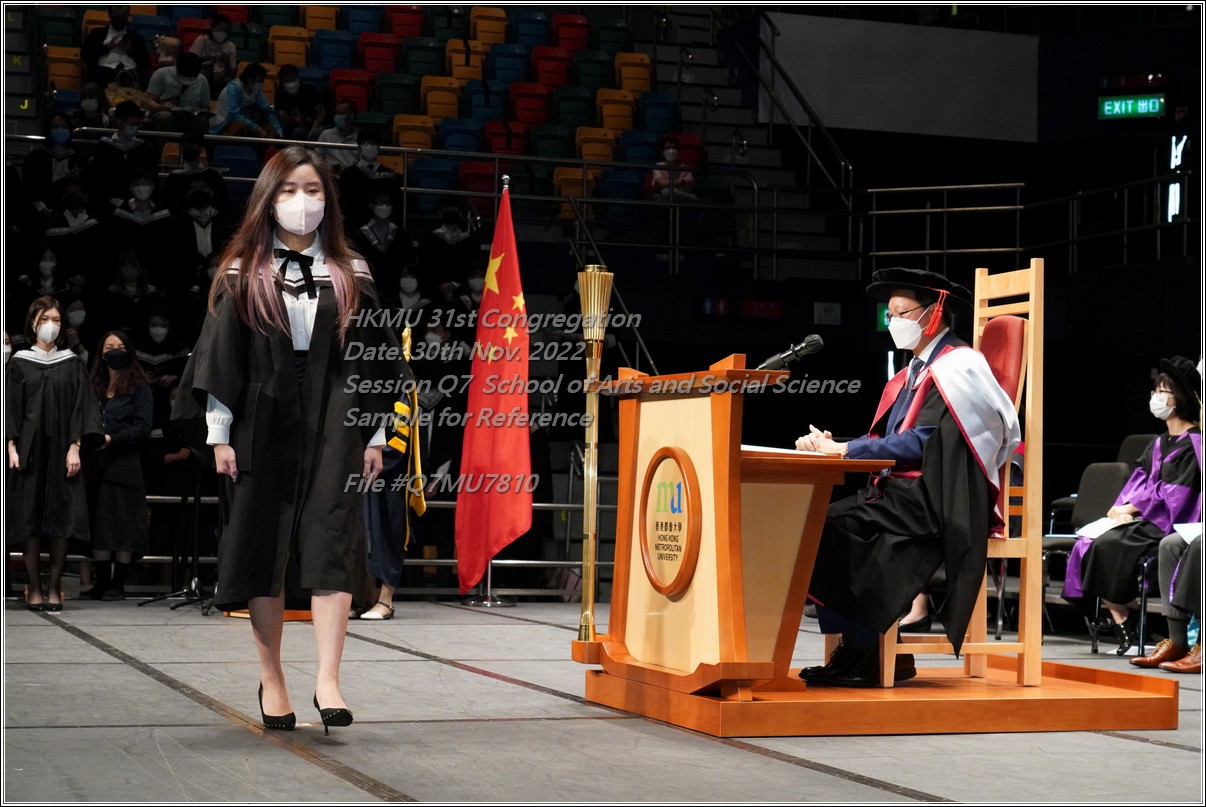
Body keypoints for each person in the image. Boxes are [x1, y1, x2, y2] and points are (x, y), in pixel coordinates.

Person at [173, 146, 411, 732]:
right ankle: (273, 678)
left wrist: (376, 434)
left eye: (312, 191)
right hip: (261, 410)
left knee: (333, 536)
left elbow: (372, 358)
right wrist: (219, 435)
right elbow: (222, 357)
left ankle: (329, 678)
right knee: (264, 542)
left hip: (337, 407)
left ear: (328, 201)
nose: (301, 202)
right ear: (267, 198)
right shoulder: (243, 270)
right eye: (288, 191)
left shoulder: (351, 270)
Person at [794, 267, 1020, 686]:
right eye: (890, 315)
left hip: (938, 497)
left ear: (933, 313)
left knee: (830, 528)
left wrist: (847, 450)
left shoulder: (958, 367)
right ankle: (865, 649)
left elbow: (924, 442)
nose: (893, 322)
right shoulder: (916, 369)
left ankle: (867, 651)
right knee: (816, 525)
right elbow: (892, 437)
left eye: (902, 313)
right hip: (904, 492)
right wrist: (837, 443)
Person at [1069, 357, 1202, 655]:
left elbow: (1176, 496)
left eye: (1164, 392)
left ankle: (1128, 620)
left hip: (1169, 523)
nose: (1157, 397)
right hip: (1145, 518)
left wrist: (1132, 508)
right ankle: (1124, 618)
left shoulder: (1195, 444)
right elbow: (1138, 481)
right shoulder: (1159, 443)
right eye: (1156, 391)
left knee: (1107, 546)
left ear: (1181, 397)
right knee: (1086, 544)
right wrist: (1123, 508)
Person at [6, 297, 103, 611]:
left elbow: (82, 407)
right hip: (29, 451)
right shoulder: (19, 362)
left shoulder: (71, 363)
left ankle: (54, 586)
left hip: (63, 449)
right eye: (45, 318)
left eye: (57, 319)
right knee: (29, 518)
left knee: (62, 517)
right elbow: (11, 406)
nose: (51, 325)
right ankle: (34, 587)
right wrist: (11, 446)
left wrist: (75, 446)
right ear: (33, 322)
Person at [80, 331, 152, 600]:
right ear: (101, 352)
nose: (115, 350)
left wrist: (113, 439)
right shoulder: (93, 384)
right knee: (98, 523)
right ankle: (101, 582)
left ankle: (118, 583)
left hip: (124, 462)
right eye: (109, 346)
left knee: (124, 523)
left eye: (120, 346)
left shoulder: (139, 387)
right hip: (94, 463)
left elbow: (143, 427)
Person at [87, 100, 157, 213]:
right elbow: (98, 180)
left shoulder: (145, 148)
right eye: (131, 124)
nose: (135, 128)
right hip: (108, 204)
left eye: (137, 124)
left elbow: (152, 179)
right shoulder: (104, 147)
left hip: (140, 203)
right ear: (119, 121)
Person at [23, 113, 84, 217]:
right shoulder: (34, 158)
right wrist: (44, 210)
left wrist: (76, 181)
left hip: (70, 212)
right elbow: (29, 189)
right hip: (39, 211)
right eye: (55, 127)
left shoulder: (78, 159)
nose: (60, 130)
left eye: (64, 127)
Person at [81, 5, 150, 86]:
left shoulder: (136, 37)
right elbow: (84, 54)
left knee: (143, 76)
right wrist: (107, 47)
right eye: (117, 17)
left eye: (123, 18)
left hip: (130, 71)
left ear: (127, 16)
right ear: (110, 15)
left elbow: (146, 62)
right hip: (105, 70)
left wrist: (131, 50)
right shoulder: (96, 33)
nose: (119, 21)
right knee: (97, 74)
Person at [209, 63, 282, 139]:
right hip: (226, 123)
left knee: (269, 128)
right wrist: (257, 129)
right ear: (250, 80)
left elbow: (267, 110)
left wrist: (278, 129)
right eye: (260, 81)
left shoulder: (256, 91)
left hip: (250, 122)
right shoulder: (233, 88)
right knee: (240, 127)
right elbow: (234, 115)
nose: (262, 83)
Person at [143, 52, 211, 132]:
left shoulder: (202, 80)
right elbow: (149, 100)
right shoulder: (161, 74)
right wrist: (160, 107)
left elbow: (206, 107)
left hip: (190, 116)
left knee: (203, 120)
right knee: (164, 117)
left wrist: (200, 111)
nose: (188, 79)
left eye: (192, 77)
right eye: (186, 76)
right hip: (164, 112)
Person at [274, 64, 326, 141]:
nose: (290, 84)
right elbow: (282, 117)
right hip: (293, 128)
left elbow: (321, 114)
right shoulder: (281, 95)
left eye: (292, 80)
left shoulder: (310, 90)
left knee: (301, 133)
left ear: (298, 78)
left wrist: (311, 134)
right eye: (286, 81)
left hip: (313, 126)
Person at [188, 13, 237, 93]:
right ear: (212, 28)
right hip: (201, 77)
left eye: (225, 30)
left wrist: (226, 62)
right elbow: (191, 63)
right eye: (220, 30)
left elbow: (231, 73)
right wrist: (211, 61)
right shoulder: (202, 40)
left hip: (221, 81)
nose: (222, 33)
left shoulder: (231, 46)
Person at [316, 99, 360, 173]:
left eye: (341, 113)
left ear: (351, 116)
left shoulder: (359, 139)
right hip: (330, 175)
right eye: (336, 113)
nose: (337, 116)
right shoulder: (326, 134)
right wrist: (328, 167)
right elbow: (317, 159)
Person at [650, 136, 698, 203]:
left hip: (681, 196)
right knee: (665, 194)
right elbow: (661, 183)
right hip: (663, 195)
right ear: (663, 152)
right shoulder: (658, 166)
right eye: (668, 148)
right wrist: (682, 183)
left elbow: (690, 182)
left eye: (674, 148)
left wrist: (669, 184)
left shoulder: (684, 167)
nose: (671, 151)